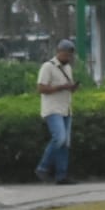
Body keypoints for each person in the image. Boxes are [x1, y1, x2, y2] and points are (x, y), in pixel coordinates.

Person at [35, 38, 78, 185]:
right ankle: (43, 167)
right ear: (59, 52)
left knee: (65, 143)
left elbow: (68, 86)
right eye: (66, 55)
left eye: (70, 56)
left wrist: (71, 88)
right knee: (59, 137)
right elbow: (41, 88)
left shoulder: (68, 68)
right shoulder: (48, 67)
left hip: (66, 108)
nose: (68, 58)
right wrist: (61, 87)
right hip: (52, 109)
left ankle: (62, 175)